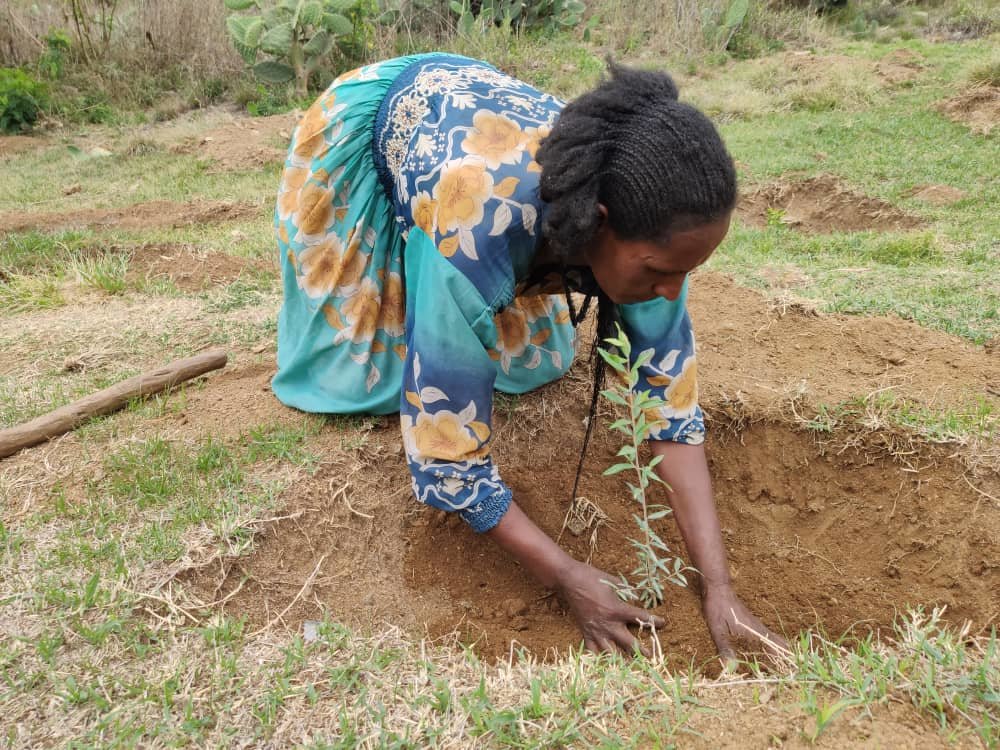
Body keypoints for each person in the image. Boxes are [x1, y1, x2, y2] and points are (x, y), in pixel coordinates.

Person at [272, 52, 786, 659]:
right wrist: (567, 577)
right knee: (364, 378)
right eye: (658, 271)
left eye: (687, 271)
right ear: (597, 223)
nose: (673, 290)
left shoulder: (645, 221)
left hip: (481, 130)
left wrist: (719, 590)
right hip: (379, 126)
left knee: (531, 361)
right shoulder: (472, 230)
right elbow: (446, 458)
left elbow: (669, 404)